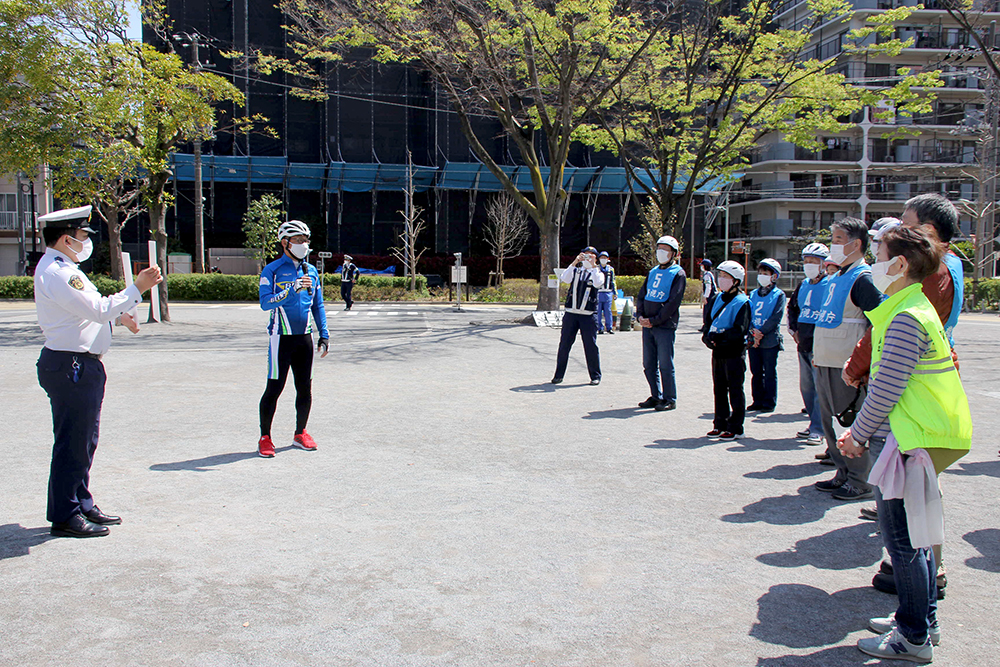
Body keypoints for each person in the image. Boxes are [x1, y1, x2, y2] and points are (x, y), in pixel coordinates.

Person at [836, 225, 971, 664]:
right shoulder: (913, 307)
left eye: (879, 252)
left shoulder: (905, 316)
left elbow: (886, 389)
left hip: (910, 438)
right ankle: (920, 621)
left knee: (904, 541)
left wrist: (856, 437)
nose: (873, 260)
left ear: (899, 264)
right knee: (914, 538)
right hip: (919, 436)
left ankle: (913, 635)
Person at [34, 205, 163, 537]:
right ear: (66, 239)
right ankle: (65, 514)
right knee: (73, 442)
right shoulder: (60, 272)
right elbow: (97, 308)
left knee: (84, 440)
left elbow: (87, 310)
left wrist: (119, 316)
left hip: (76, 364)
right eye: (81, 236)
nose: (85, 242)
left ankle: (81, 501)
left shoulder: (63, 267)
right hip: (71, 366)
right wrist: (138, 288)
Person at [812, 217, 885, 501]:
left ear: (856, 244)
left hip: (846, 365)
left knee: (848, 420)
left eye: (839, 240)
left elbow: (875, 323)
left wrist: (860, 364)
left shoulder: (863, 278)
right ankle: (842, 472)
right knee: (830, 421)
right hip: (826, 360)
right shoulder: (837, 276)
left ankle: (859, 479)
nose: (834, 245)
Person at [257, 220, 330, 458]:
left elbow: (318, 305)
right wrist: (291, 289)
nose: (304, 244)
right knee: (274, 388)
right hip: (281, 338)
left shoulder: (311, 271)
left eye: (306, 240)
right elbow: (265, 303)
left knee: (305, 388)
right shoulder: (273, 270)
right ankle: (265, 437)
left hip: (305, 338)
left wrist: (324, 334)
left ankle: (301, 433)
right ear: (285, 243)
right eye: (298, 240)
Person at [635, 236, 687, 410]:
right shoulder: (653, 271)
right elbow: (642, 295)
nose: (661, 252)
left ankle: (669, 398)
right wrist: (640, 316)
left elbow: (673, 302)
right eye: (659, 248)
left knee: (665, 364)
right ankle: (655, 395)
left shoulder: (678, 273)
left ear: (674, 254)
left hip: (664, 325)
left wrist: (655, 320)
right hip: (647, 325)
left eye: (666, 249)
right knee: (648, 363)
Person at [787, 243, 830, 446]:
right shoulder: (803, 284)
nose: (809, 265)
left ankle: (819, 429)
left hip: (819, 343)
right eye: (806, 261)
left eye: (814, 262)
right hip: (802, 342)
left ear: (823, 264)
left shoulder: (830, 284)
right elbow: (793, 307)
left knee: (820, 388)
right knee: (807, 387)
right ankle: (813, 422)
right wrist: (793, 329)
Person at [703, 260, 751, 440]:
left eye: (726, 277)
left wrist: (720, 338)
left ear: (736, 281)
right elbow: (708, 322)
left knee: (735, 389)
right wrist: (707, 337)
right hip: (718, 351)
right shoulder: (717, 298)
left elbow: (740, 329)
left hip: (734, 351)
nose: (721, 279)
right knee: (719, 388)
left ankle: (736, 426)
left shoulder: (742, 302)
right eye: (720, 276)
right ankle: (720, 423)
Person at [552, 246, 604, 385]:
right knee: (564, 345)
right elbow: (564, 278)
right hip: (571, 314)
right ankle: (558, 375)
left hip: (588, 315)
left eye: (591, 255)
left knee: (590, 346)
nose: (588, 257)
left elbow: (598, 282)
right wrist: (575, 262)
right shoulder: (575, 270)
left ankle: (595, 375)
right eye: (585, 255)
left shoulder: (597, 272)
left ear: (596, 258)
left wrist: (593, 266)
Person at [747, 258, 786, 413]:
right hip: (753, 339)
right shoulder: (753, 294)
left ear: (774, 276)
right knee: (756, 372)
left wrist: (761, 333)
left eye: (766, 273)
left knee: (769, 372)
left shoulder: (779, 295)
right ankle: (757, 400)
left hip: (769, 340)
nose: (762, 276)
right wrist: (753, 333)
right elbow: (748, 315)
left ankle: (769, 402)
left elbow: (776, 317)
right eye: (760, 273)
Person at [595, 251, 616, 334]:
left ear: (608, 259)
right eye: (601, 258)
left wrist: (615, 293)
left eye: (605, 258)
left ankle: (609, 328)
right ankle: (599, 328)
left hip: (608, 293)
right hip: (598, 292)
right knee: (598, 312)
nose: (603, 259)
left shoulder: (611, 269)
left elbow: (613, 281)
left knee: (608, 311)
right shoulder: (596, 268)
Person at [699, 259, 717, 333]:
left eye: (702, 265)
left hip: (710, 296)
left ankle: (706, 325)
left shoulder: (707, 275)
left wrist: (705, 296)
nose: (701, 267)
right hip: (712, 295)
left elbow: (708, 286)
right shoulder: (709, 274)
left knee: (707, 311)